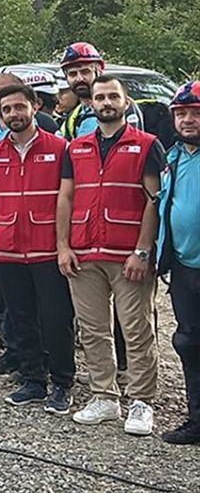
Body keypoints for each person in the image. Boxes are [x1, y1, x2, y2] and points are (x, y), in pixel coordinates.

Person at [57, 75, 163, 434]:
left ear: (125, 101)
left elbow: (153, 200)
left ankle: (142, 401)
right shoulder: (76, 148)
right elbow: (66, 197)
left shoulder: (147, 145)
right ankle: (104, 396)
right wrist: (63, 246)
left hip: (128, 254)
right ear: (92, 103)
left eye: (112, 97)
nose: (106, 103)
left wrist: (143, 251)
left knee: (136, 329)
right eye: (100, 97)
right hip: (84, 252)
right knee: (93, 330)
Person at [0, 83, 74, 414]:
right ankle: (33, 380)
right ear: (0, 113)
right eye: (6, 109)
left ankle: (62, 382)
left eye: (19, 107)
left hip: (47, 249)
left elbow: (69, 196)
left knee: (56, 317)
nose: (13, 114)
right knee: (19, 316)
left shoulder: (60, 148)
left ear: (35, 107)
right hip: (8, 249)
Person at [158, 81, 200, 444]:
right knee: (188, 342)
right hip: (185, 267)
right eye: (181, 113)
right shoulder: (172, 157)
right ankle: (197, 419)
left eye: (196, 113)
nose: (188, 120)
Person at [59, 42, 143, 139]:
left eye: (85, 72)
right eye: (73, 74)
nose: (79, 78)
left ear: (99, 71)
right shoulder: (75, 115)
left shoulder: (121, 106)